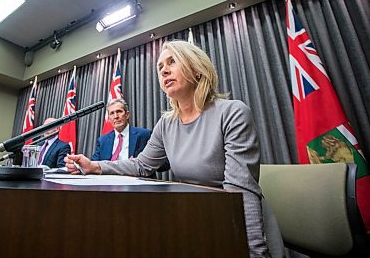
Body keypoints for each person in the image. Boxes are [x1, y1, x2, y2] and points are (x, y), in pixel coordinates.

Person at [66, 40, 275, 257]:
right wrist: (95, 166)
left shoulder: (233, 113)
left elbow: (240, 194)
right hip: (189, 218)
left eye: (172, 61)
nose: (164, 70)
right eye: (160, 67)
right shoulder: (166, 123)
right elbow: (141, 165)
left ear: (196, 68)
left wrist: (253, 251)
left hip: (230, 225)